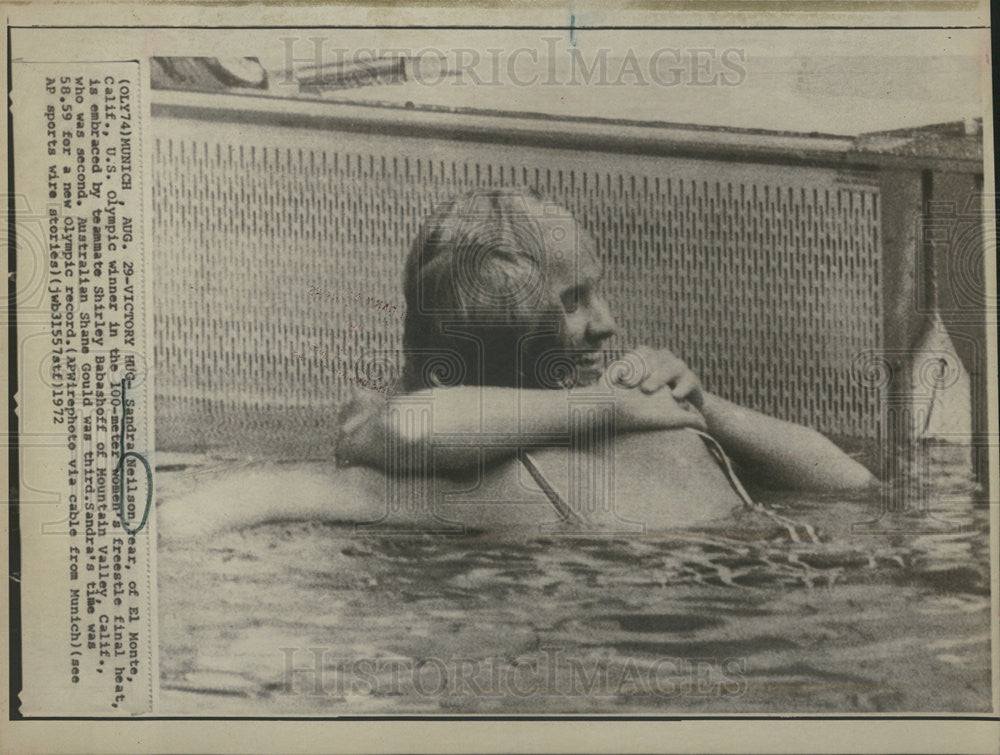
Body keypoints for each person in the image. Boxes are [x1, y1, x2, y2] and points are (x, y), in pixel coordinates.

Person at [158, 188, 874, 540]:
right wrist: (610, 407)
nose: (609, 323)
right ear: (505, 331)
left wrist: (705, 403)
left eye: (597, 289)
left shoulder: (640, 416)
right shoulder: (472, 479)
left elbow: (852, 483)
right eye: (574, 300)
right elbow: (403, 432)